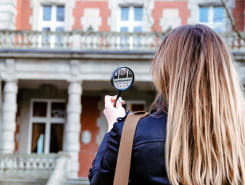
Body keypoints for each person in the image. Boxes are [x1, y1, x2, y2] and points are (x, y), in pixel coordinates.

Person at [88, 24, 245, 185]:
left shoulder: (131, 132)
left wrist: (115, 126)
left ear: (164, 70)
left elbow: (99, 180)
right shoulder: (239, 136)